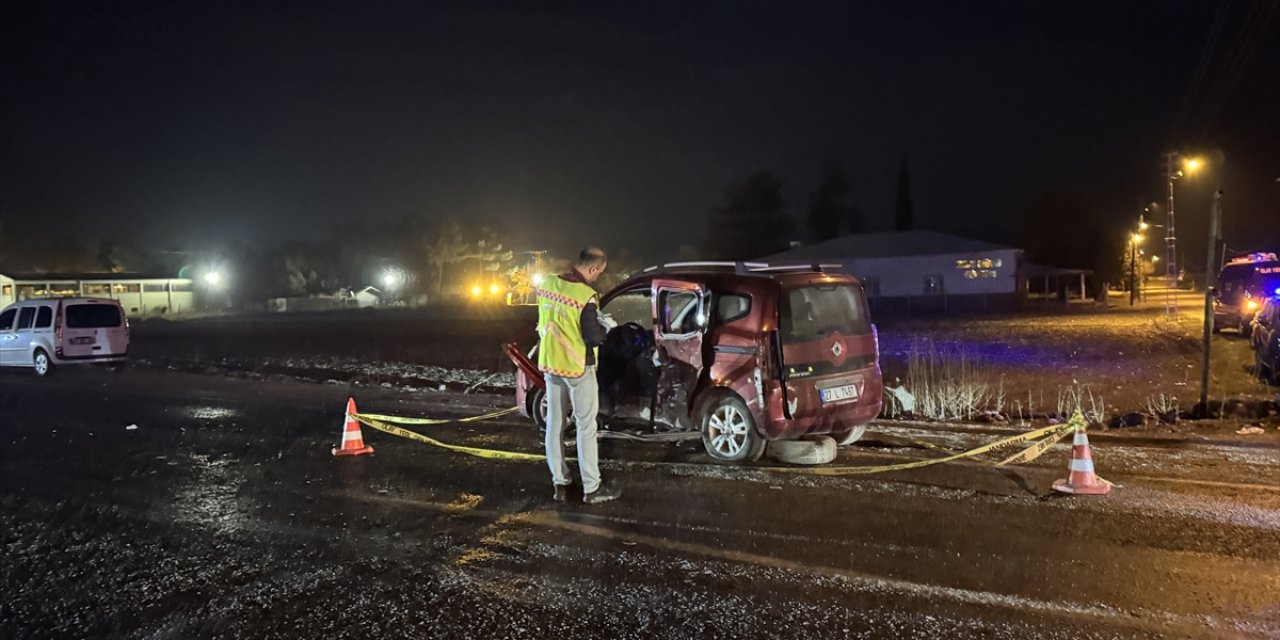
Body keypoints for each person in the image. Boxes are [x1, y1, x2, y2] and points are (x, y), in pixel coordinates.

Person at [536, 247, 620, 504]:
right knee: (586, 427)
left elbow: (547, 319)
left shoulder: (548, 283)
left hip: (551, 364)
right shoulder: (586, 296)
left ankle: (560, 484)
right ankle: (592, 488)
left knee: (554, 425)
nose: (597, 277)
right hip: (577, 367)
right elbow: (592, 337)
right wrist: (606, 328)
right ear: (593, 268)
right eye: (599, 272)